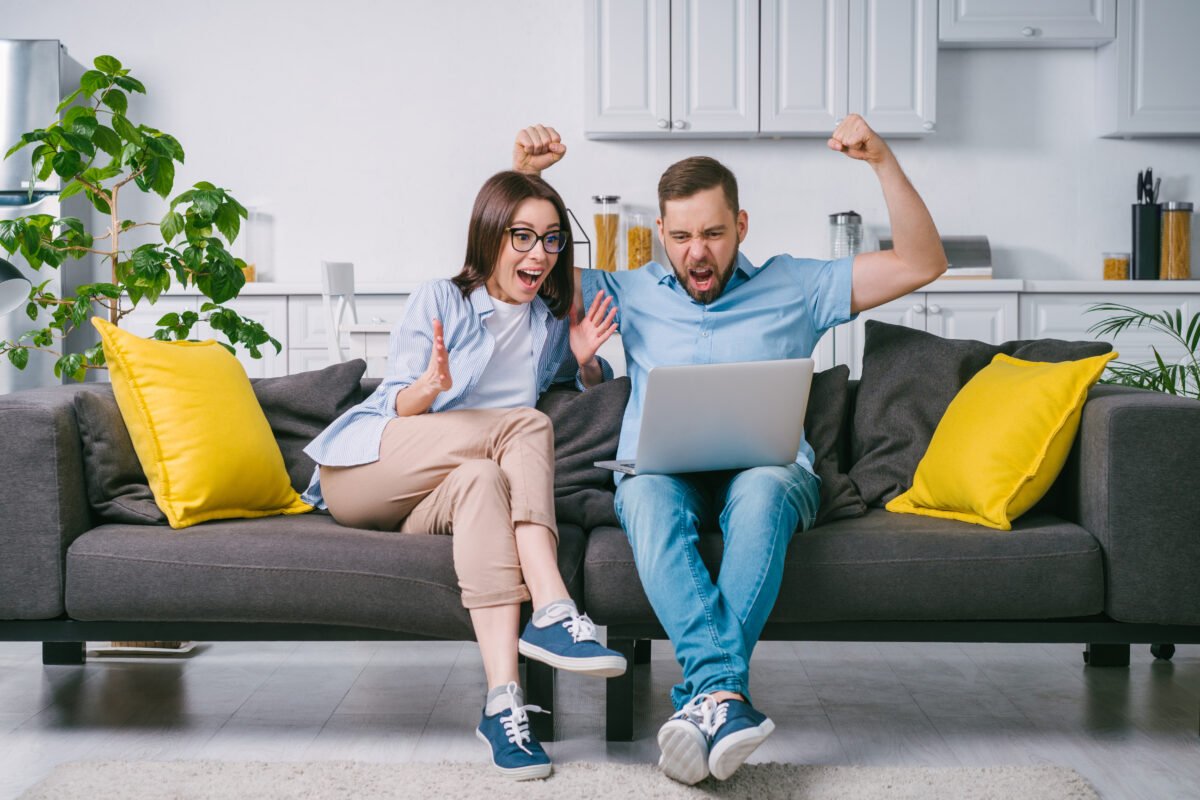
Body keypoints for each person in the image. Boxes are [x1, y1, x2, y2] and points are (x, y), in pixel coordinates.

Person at [514, 117, 947, 784]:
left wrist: (882, 161)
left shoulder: (796, 285)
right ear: (661, 234)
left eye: (713, 234)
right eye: (682, 236)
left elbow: (923, 263)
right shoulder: (627, 292)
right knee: (647, 499)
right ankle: (721, 701)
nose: (697, 252)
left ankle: (703, 696)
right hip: (662, 471)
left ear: (740, 225)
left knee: (763, 491)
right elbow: (524, 274)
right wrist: (531, 179)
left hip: (767, 469)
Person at [301, 166, 625, 781]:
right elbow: (395, 398)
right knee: (525, 426)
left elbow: (555, 386)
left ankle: (503, 704)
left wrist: (582, 364)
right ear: (491, 237)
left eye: (552, 239)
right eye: (523, 237)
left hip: (435, 496)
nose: (539, 253)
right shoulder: (441, 298)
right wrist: (427, 388)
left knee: (485, 480)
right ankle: (555, 609)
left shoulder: (547, 324)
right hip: (369, 469)